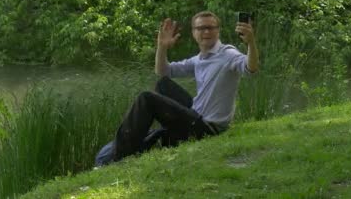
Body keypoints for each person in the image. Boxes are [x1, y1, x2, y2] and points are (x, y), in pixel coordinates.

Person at [95, 11, 259, 166]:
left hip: (207, 128)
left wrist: (251, 43)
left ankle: (120, 155)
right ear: (194, 33)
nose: (206, 32)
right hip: (196, 115)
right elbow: (162, 71)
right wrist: (162, 47)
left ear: (218, 31)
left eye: (211, 27)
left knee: (146, 98)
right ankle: (159, 135)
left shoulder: (228, 54)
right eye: (201, 28)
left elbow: (250, 69)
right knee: (163, 84)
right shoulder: (198, 59)